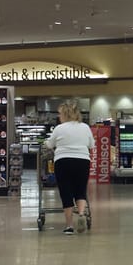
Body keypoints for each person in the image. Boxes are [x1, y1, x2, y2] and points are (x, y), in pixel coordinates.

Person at [44, 100, 93, 234]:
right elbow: (91, 145)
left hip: (63, 161)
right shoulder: (85, 127)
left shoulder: (59, 128)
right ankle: (81, 214)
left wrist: (47, 143)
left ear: (65, 114)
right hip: (82, 161)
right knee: (80, 190)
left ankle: (69, 226)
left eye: (60, 114)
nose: (59, 116)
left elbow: (49, 144)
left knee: (66, 192)